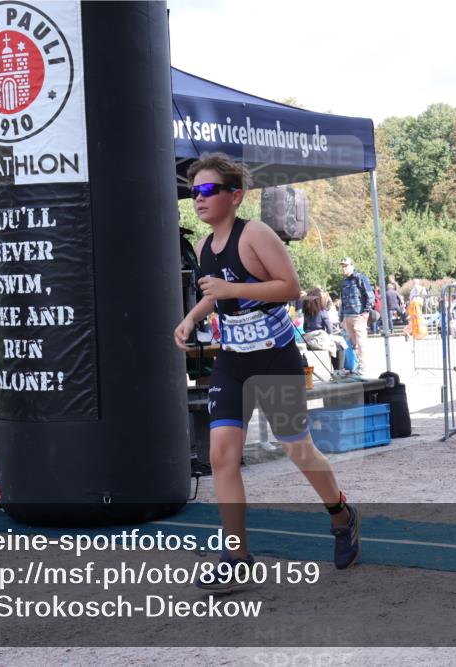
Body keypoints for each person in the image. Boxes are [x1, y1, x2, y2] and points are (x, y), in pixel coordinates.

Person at [172, 152, 360, 591]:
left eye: (207, 190)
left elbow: (291, 288)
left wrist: (229, 288)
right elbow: (215, 293)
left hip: (275, 359)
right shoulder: (202, 247)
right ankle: (236, 555)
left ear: (234, 196)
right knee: (221, 455)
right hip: (235, 362)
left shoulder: (254, 234)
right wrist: (191, 317)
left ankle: (341, 514)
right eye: (192, 192)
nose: (197, 199)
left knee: (297, 449)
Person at [339, 257, 373, 369]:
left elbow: (370, 295)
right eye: (342, 266)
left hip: (358, 315)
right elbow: (343, 301)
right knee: (354, 344)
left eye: (346, 266)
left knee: (361, 342)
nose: (344, 268)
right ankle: (357, 365)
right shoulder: (344, 282)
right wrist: (341, 318)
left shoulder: (361, 278)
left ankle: (362, 366)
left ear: (352, 266)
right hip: (347, 316)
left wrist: (366, 312)